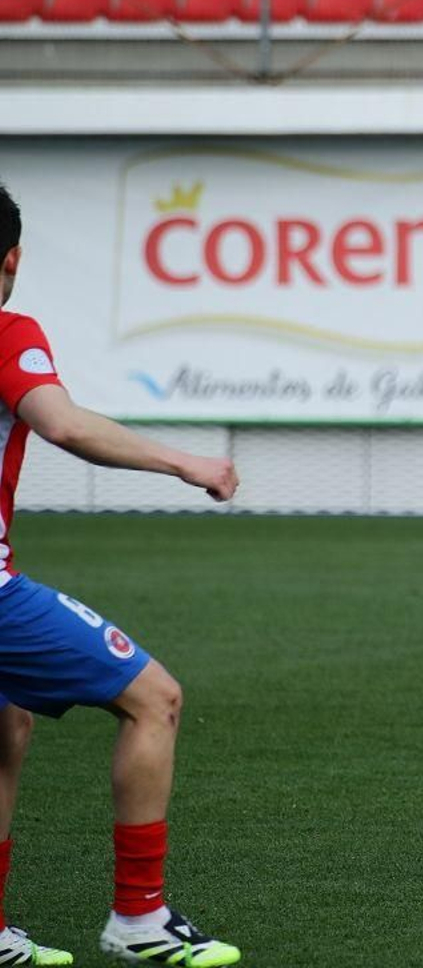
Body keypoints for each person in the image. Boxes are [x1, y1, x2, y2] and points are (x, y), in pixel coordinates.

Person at [0, 183, 243, 967]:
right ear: (12, 260)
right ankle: (140, 918)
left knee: (5, 724)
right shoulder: (6, 330)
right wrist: (186, 460)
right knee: (155, 698)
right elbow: (63, 423)